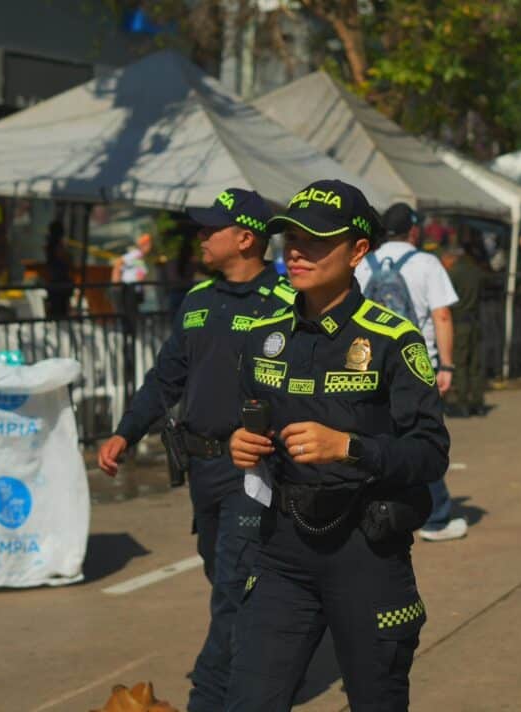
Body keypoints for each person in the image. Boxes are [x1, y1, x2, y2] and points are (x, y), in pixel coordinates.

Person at [226, 179, 449, 710]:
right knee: (250, 699)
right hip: (282, 548)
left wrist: (349, 447)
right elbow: (249, 420)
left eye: (318, 240)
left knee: (377, 698)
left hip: (366, 549)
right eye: (291, 239)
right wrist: (240, 442)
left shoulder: (393, 338)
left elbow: (429, 452)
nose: (299, 251)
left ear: (358, 251)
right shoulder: (264, 334)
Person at [97, 188, 294, 712]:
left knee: (233, 586)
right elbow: (167, 378)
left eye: (212, 229)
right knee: (226, 579)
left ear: (246, 238)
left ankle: (209, 700)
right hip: (201, 468)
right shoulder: (198, 299)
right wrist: (126, 431)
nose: (200, 237)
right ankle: (263, 659)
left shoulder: (288, 303)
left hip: (255, 471)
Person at [356, 202, 467, 542]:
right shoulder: (426, 263)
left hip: (367, 364)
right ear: (414, 230)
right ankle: (436, 518)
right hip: (417, 364)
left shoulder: (362, 263)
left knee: (375, 437)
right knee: (422, 439)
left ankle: (373, 510)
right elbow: (442, 316)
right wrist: (445, 364)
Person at [441, 234, 487, 417]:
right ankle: (477, 401)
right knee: (475, 363)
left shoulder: (453, 274)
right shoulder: (476, 271)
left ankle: (461, 402)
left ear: (451, 258)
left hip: (458, 323)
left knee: (460, 363)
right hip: (475, 321)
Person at [44, 220, 73, 318]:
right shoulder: (56, 245)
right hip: (60, 280)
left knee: (57, 305)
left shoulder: (50, 245)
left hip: (55, 279)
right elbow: (64, 258)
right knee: (60, 307)